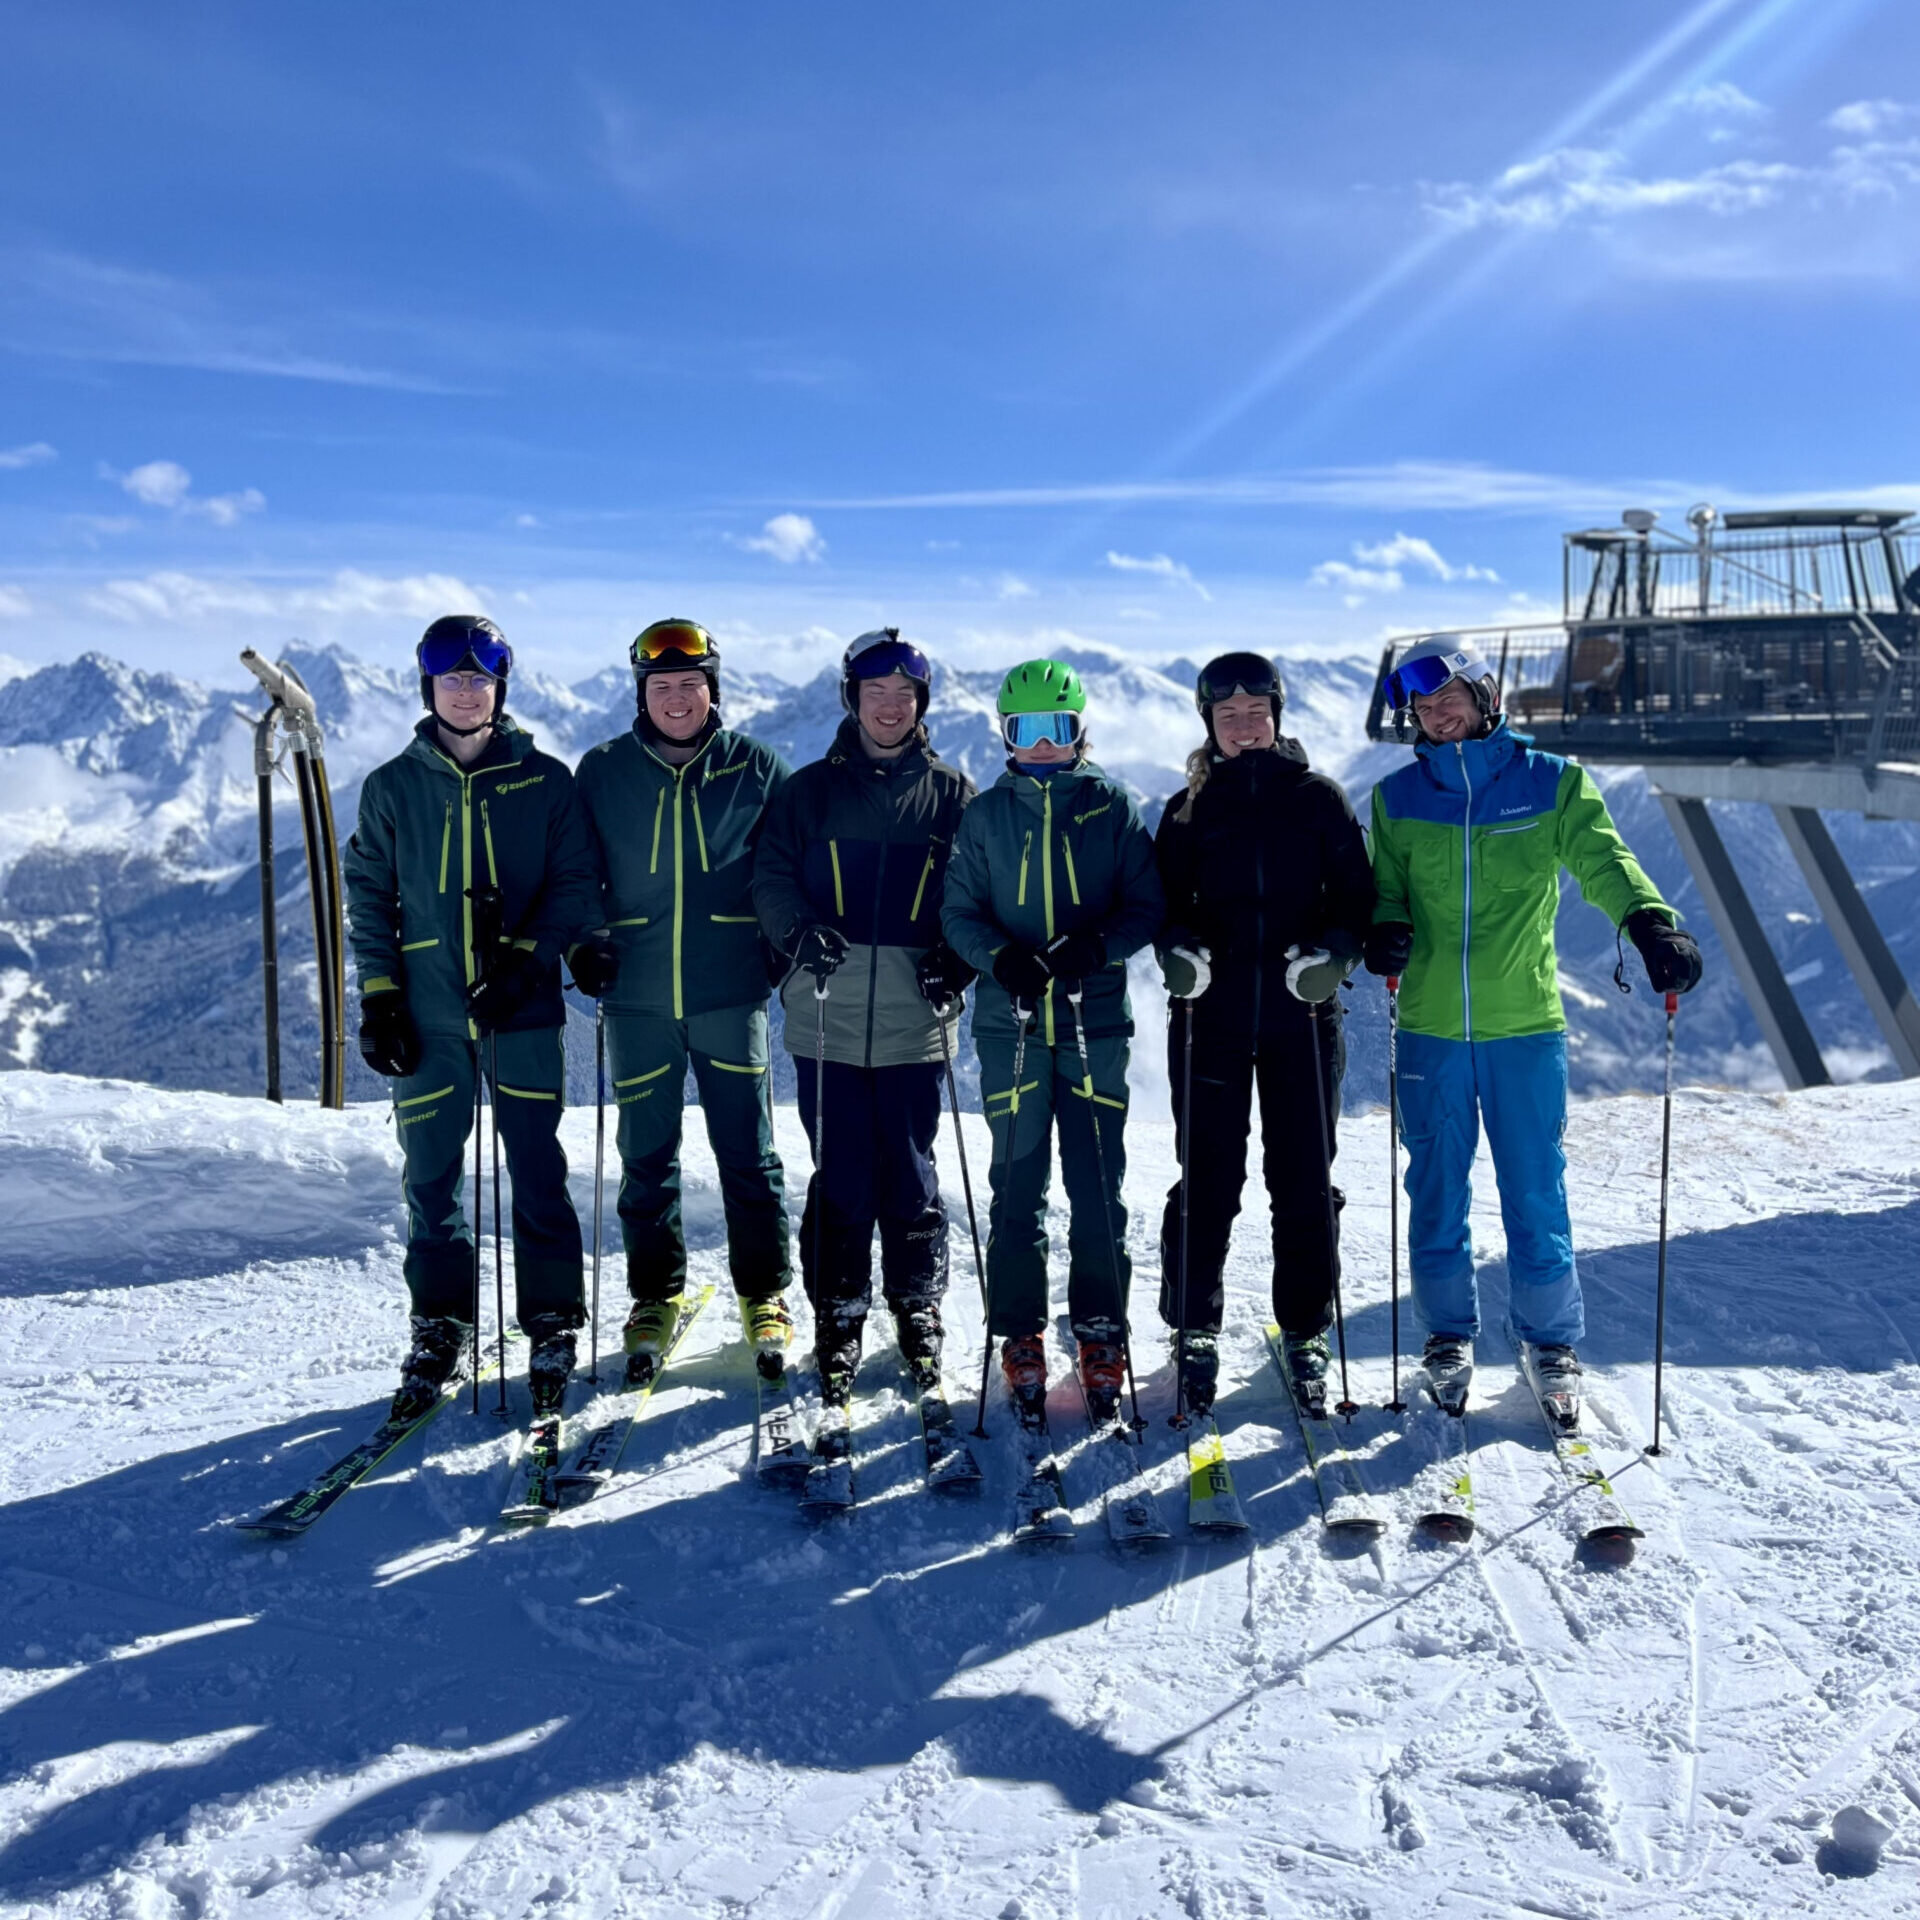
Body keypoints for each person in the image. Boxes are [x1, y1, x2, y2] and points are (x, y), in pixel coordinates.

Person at [1366, 636, 1703, 1423]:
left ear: (1487, 696)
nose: (1437, 712)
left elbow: (1604, 861)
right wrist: (1383, 927)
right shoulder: (1396, 800)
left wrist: (1651, 923)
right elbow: (1385, 892)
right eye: (1422, 702)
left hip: (1524, 1026)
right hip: (1430, 1028)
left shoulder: (1551, 784)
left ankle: (1551, 1342)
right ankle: (1447, 1335)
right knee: (1436, 1189)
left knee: (1534, 1189)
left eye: (1451, 695)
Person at [344, 614, 599, 1420]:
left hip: (521, 1008)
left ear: (499, 688)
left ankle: (552, 1318)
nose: (465, 690)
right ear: (429, 688)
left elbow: (574, 886)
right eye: (450, 678)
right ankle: (440, 1323)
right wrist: (380, 998)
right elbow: (368, 898)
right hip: (424, 1015)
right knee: (431, 1177)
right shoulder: (393, 786)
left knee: (535, 1167)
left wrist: (526, 960)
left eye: (479, 678)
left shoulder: (543, 780)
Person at [752, 629, 977, 1404]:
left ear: (921, 705)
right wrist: (796, 931)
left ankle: (916, 1304)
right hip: (827, 1011)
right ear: (851, 699)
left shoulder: (952, 794)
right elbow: (771, 879)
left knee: (910, 1171)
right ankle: (839, 1311)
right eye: (875, 693)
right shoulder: (808, 791)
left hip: (918, 1015)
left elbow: (976, 893)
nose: (890, 706)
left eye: (904, 695)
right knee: (843, 1170)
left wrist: (960, 954)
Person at [942, 659, 1165, 1424]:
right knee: (1016, 1184)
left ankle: (1101, 1328)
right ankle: (1020, 1329)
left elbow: (1146, 904)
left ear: (1079, 731)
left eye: (1056, 729)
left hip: (1091, 1018)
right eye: (1026, 730)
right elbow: (957, 911)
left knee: (1097, 1181)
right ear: (1006, 734)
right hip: (1011, 1021)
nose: (1042, 745)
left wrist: (1094, 947)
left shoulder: (1108, 806)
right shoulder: (986, 814)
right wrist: (997, 957)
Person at [1153, 651, 1376, 1419]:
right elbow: (1163, 904)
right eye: (1228, 715)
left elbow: (1358, 900)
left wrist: (1335, 957)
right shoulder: (1187, 808)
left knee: (1305, 1178)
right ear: (1208, 723)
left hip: (1301, 1017)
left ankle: (1305, 1327)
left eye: (1257, 712)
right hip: (1208, 1020)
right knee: (1208, 1181)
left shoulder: (1318, 799)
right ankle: (1193, 1327)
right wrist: (1176, 953)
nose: (1244, 726)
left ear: (1278, 715)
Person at [572, 619, 795, 1384]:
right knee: (646, 1155)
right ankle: (654, 1296)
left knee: (749, 1154)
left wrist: (779, 941)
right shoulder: (602, 771)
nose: (676, 698)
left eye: (690, 684)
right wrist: (584, 941)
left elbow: (786, 868)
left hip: (730, 992)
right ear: (642, 693)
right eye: (661, 685)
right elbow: (577, 872)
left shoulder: (756, 768)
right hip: (634, 996)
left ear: (713, 690)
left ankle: (764, 1291)